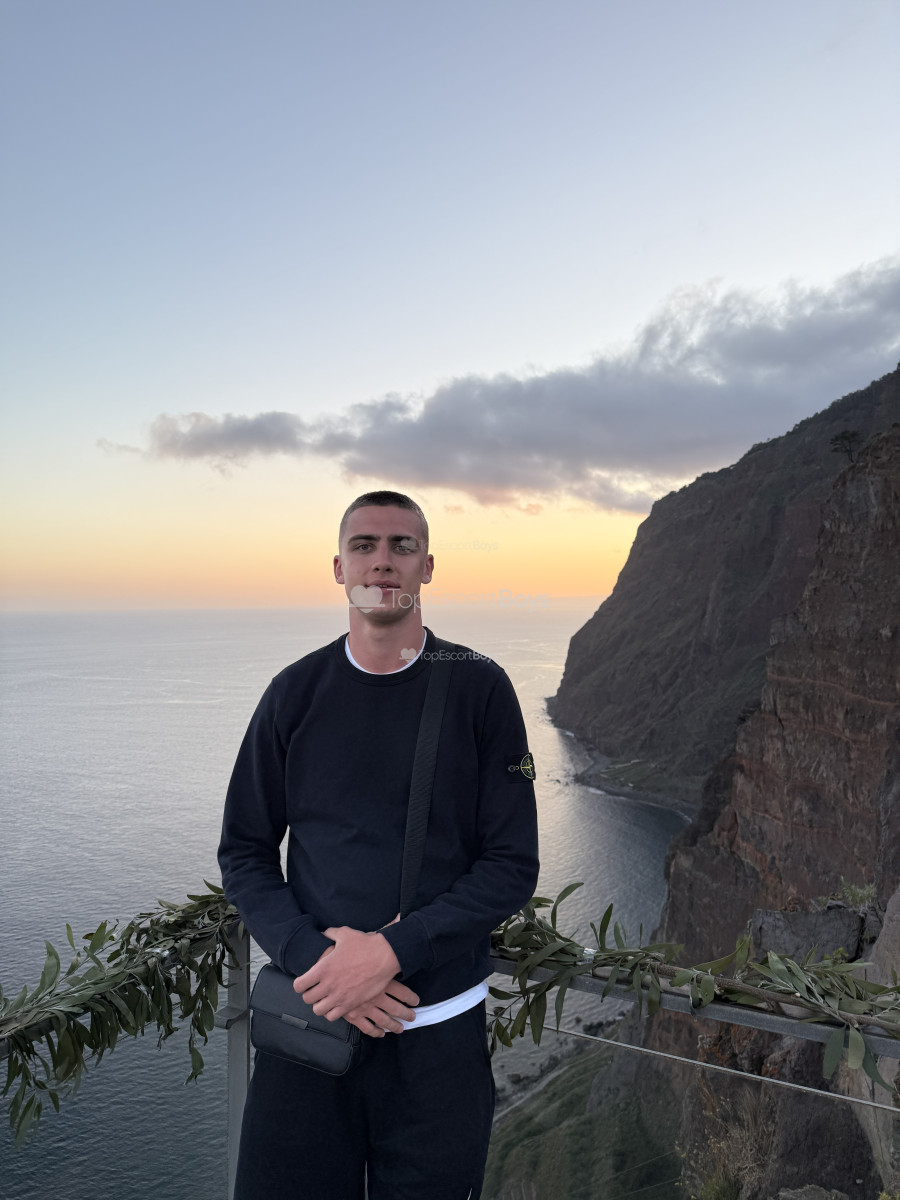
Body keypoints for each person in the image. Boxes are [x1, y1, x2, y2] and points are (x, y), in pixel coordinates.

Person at [218, 490, 540, 1200]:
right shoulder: (294, 693)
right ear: (339, 568)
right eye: (364, 546)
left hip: (437, 1037)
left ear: (428, 566)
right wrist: (315, 959)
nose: (383, 561)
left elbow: (512, 864)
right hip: (311, 1020)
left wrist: (391, 952)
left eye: (402, 546)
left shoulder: (480, 689)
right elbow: (243, 849)